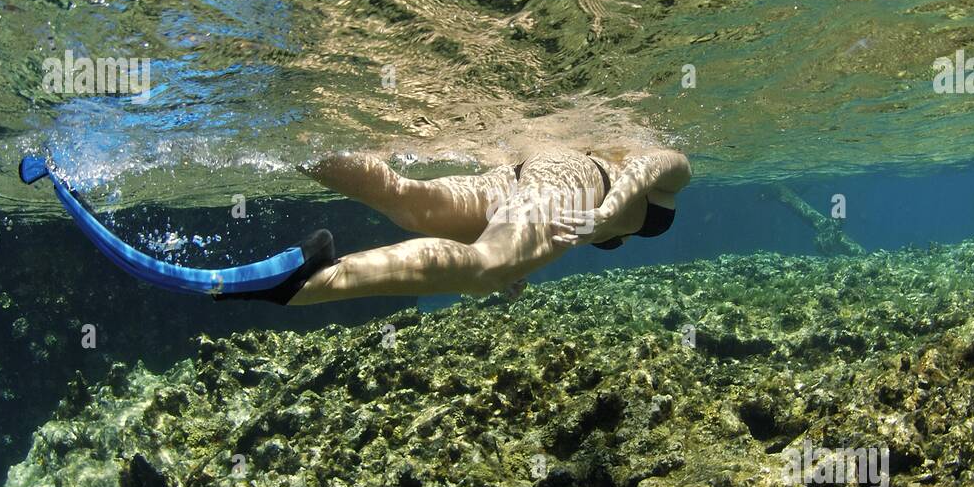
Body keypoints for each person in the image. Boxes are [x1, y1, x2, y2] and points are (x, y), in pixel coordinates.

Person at [223, 146, 691, 306]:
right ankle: (306, 284)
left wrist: (516, 253)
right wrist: (608, 213)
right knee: (486, 269)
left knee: (409, 201)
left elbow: (540, 222)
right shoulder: (675, 175)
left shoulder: (594, 193)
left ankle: (295, 145)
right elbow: (650, 166)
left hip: (526, 173)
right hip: (575, 175)